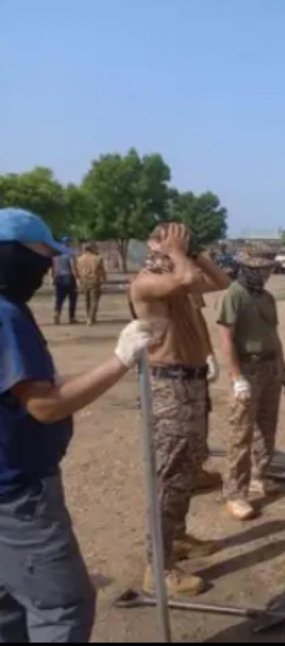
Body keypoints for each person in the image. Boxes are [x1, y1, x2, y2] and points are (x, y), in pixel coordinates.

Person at [0, 208, 156, 642]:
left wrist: (86, 376)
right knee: (62, 606)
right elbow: (44, 406)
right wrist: (120, 360)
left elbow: (23, 389)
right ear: (11, 255)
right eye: (41, 254)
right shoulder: (6, 316)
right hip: (16, 493)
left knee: (10, 604)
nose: (48, 264)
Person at [129, 222, 232, 597]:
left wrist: (194, 252)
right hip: (167, 385)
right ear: (154, 246)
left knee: (189, 466)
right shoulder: (146, 281)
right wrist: (176, 252)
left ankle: (178, 537)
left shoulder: (181, 275)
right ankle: (159, 566)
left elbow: (221, 281)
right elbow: (188, 280)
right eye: (171, 242)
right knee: (169, 473)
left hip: (190, 381)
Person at [217, 247, 285, 521]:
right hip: (247, 367)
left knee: (266, 427)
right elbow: (226, 339)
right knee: (241, 433)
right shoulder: (234, 295)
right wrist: (237, 378)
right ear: (248, 268)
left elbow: (274, 335)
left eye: (268, 269)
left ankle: (259, 476)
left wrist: (284, 371)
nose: (266, 273)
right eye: (261, 269)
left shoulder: (267, 298)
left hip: (270, 366)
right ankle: (235, 494)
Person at [189, 291, 223, 493]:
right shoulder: (152, 283)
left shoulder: (187, 281)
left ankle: (196, 469)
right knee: (186, 418)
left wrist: (209, 354)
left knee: (201, 413)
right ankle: (187, 472)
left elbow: (198, 320)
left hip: (193, 361)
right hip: (176, 362)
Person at [75, 242, 107, 326]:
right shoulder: (98, 258)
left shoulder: (79, 259)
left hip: (84, 281)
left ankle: (88, 316)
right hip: (94, 281)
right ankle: (91, 318)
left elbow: (77, 271)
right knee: (94, 301)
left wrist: (79, 280)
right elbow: (102, 271)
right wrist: (104, 280)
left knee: (87, 300)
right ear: (92, 248)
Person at [51, 237, 79, 325]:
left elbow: (53, 268)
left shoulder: (55, 254)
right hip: (68, 277)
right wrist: (77, 278)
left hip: (58, 277)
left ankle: (57, 314)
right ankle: (71, 317)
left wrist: (52, 278)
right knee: (72, 298)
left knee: (59, 298)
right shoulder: (69, 253)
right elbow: (73, 267)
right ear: (67, 243)